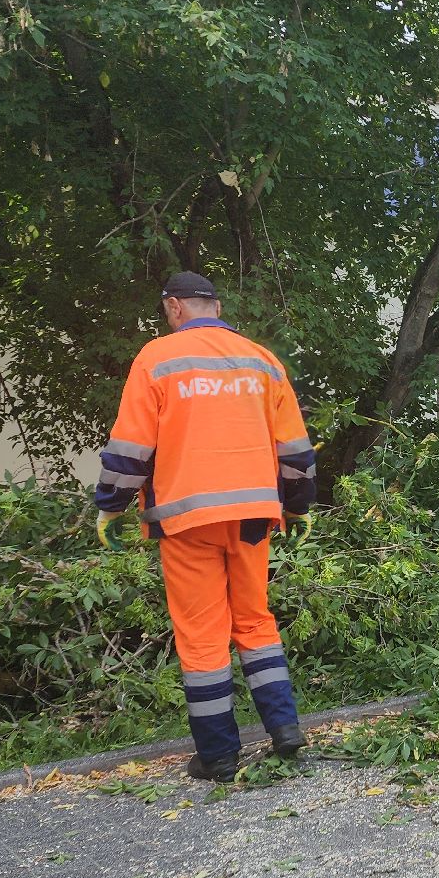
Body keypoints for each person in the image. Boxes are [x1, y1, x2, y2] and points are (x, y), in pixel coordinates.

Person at [94, 271, 318, 782]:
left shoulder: (157, 359)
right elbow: (295, 450)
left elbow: (131, 448)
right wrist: (298, 507)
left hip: (187, 519)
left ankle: (218, 755)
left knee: (202, 634)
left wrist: (111, 506)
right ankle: (284, 729)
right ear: (215, 307)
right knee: (255, 620)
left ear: (174, 307)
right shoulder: (262, 361)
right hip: (253, 517)